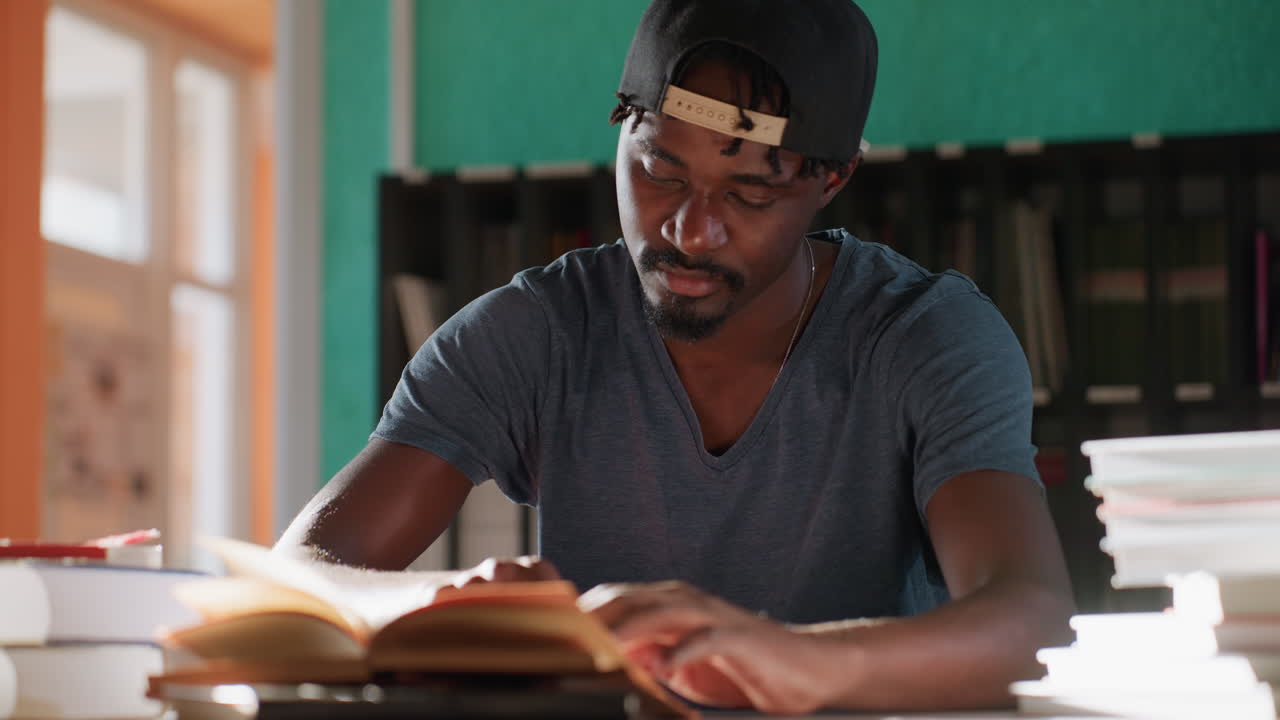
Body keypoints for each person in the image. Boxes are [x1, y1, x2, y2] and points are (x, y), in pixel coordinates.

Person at [276, 0, 1075, 713]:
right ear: (621, 129)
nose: (690, 232)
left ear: (832, 180)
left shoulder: (927, 336)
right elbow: (297, 575)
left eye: (750, 193)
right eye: (660, 169)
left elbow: (1029, 614)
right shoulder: (534, 334)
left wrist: (797, 662)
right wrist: (452, 601)